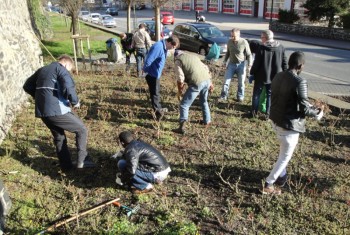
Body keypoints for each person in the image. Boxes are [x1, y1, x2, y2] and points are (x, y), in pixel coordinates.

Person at [261, 51, 324, 195]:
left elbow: (288, 99)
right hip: (289, 127)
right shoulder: (300, 81)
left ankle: (282, 177)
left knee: (282, 152)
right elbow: (305, 109)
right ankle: (268, 184)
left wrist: (308, 106)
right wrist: (318, 113)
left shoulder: (278, 75)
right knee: (284, 158)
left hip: (275, 120)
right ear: (301, 65)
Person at [23, 55, 95, 171]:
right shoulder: (61, 69)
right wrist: (75, 102)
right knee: (81, 129)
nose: (69, 72)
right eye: (70, 70)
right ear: (67, 64)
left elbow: (27, 86)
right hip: (56, 111)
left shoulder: (42, 69)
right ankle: (83, 160)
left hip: (43, 112)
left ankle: (66, 166)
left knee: (59, 137)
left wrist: (40, 98)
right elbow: (68, 86)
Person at [172, 50, 213, 134]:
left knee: (184, 104)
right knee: (204, 101)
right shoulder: (193, 56)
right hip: (207, 80)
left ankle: (182, 127)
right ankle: (207, 120)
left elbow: (180, 78)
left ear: (175, 57)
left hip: (197, 82)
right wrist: (210, 83)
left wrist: (180, 91)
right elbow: (205, 68)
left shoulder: (178, 61)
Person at [249, 30, 287, 118]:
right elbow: (284, 62)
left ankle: (254, 113)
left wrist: (252, 72)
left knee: (256, 94)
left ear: (265, 38)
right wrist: (285, 73)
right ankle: (268, 114)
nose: (261, 39)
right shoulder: (280, 47)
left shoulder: (261, 48)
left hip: (261, 76)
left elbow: (256, 63)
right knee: (270, 96)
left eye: (261, 37)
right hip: (275, 77)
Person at [143, 36, 180, 120]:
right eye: (173, 47)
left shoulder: (164, 47)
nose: (172, 49)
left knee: (156, 93)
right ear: (169, 43)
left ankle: (158, 110)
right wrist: (144, 71)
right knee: (155, 94)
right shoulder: (158, 47)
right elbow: (149, 60)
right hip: (152, 74)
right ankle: (158, 114)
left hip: (156, 74)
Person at [219, 28, 252, 102]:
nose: (232, 38)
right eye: (231, 36)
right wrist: (224, 62)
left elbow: (249, 55)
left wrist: (249, 65)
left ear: (238, 35)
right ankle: (223, 96)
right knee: (226, 81)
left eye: (234, 36)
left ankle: (240, 97)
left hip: (241, 65)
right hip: (231, 64)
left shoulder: (244, 42)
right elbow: (228, 52)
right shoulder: (229, 42)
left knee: (241, 83)